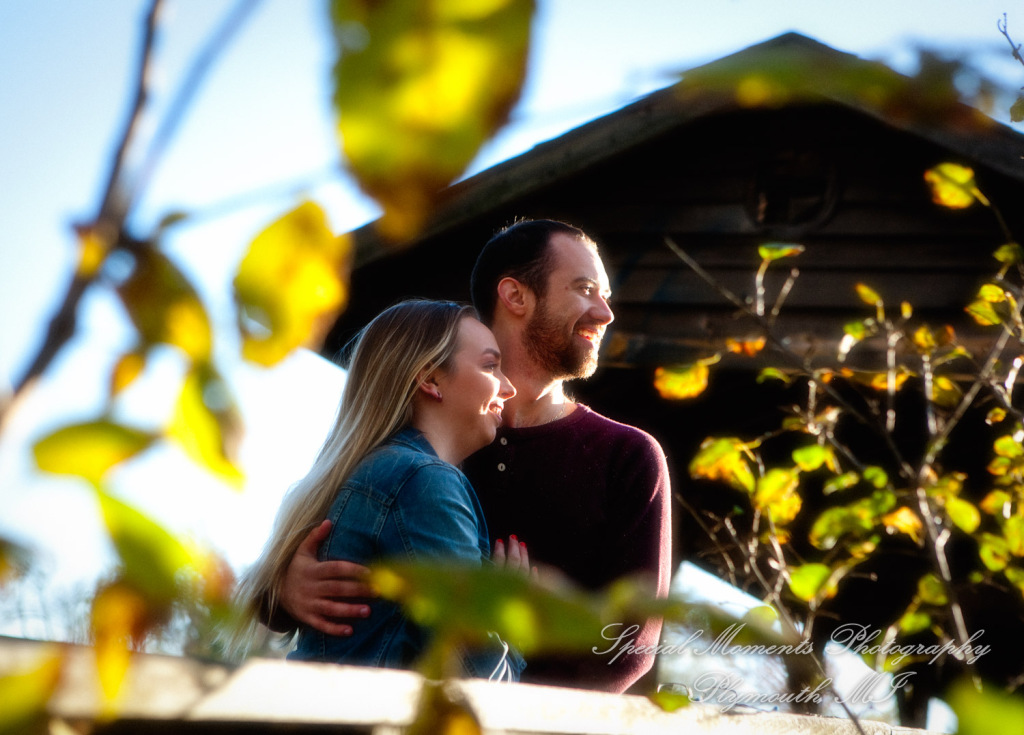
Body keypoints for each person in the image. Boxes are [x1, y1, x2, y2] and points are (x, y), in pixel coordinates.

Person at [267, 220, 673, 692]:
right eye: (585, 289)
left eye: (603, 295)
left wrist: (512, 711)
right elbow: (310, 554)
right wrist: (285, 586)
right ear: (516, 296)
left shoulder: (629, 456)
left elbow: (628, 651)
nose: (605, 313)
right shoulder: (419, 441)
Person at [233, 299, 529, 680]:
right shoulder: (424, 481)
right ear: (430, 378)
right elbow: (481, 681)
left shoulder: (377, 470)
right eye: (490, 366)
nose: (508, 387)